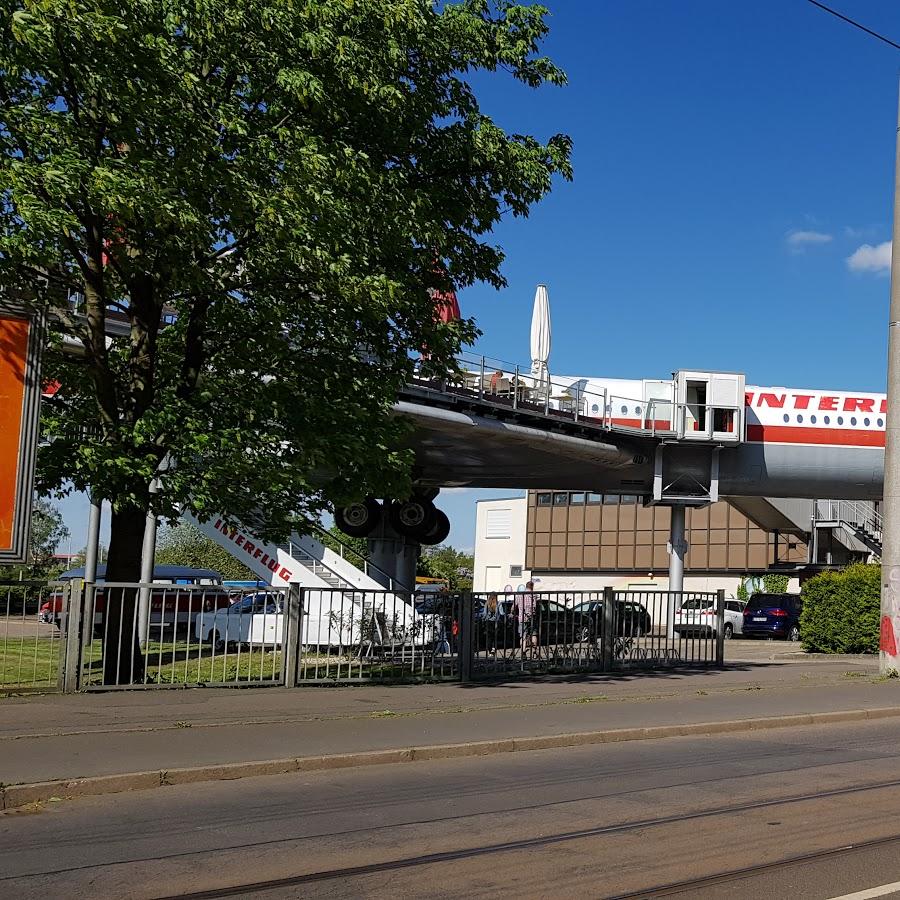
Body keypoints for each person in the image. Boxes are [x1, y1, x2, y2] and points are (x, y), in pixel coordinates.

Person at [519, 581, 539, 658]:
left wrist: (513, 612)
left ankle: (523, 653)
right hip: (532, 618)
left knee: (523, 636)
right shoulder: (534, 595)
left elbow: (514, 607)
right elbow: (536, 606)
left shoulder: (520, 595)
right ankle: (534, 652)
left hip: (522, 618)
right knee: (533, 635)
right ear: (532, 587)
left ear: (526, 586)